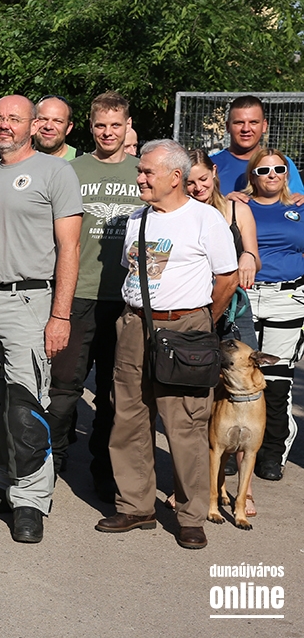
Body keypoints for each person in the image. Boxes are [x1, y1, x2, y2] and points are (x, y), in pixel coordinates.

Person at [96, 139, 237, 549]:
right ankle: (135, 506)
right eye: (139, 171)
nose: (139, 178)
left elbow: (227, 278)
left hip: (184, 327)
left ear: (176, 177)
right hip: (134, 325)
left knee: (185, 424)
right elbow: (133, 270)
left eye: (147, 172)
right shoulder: (137, 218)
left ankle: (191, 516)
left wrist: (200, 324)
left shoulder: (205, 219)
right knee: (129, 416)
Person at [0, 94, 82, 544]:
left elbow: (70, 247)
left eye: (14, 118)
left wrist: (60, 315)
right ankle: (3, 486)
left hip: (28, 300)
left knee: (26, 405)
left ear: (33, 125)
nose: (4, 125)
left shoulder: (56, 172)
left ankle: (31, 500)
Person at [47, 91, 140, 502]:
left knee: (113, 393)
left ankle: (104, 470)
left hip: (126, 300)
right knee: (63, 389)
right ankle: (50, 462)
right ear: (90, 126)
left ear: (127, 126)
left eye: (115, 125)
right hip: (77, 295)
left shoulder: (143, 172)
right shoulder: (72, 170)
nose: (108, 132)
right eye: (101, 125)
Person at [185, 148, 261, 516]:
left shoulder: (236, 210)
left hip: (233, 311)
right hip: (196, 309)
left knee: (245, 392)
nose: (197, 187)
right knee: (195, 397)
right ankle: (193, 483)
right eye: (189, 182)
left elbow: (254, 256)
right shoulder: (182, 213)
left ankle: (244, 490)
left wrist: (248, 256)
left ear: (214, 172)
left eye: (203, 178)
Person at [243, 148, 304, 482]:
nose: (272, 176)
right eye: (263, 170)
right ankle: (236, 448)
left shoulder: (299, 207)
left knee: (277, 381)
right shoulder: (238, 206)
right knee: (241, 375)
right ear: (252, 175)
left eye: (278, 169)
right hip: (246, 296)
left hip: (288, 298)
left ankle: (272, 452)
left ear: (287, 173)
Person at [213, 95, 304, 195]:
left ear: (264, 126)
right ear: (227, 127)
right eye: (239, 123)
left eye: (253, 122)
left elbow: (296, 200)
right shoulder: (210, 164)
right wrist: (223, 202)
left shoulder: (282, 164)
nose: (246, 129)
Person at [34, 95, 76, 160]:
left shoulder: (83, 163)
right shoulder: (18, 160)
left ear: (68, 128)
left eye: (58, 121)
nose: (48, 126)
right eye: (43, 119)